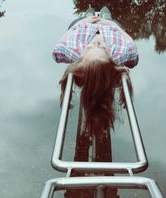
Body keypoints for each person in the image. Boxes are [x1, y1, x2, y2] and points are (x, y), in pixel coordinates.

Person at [52, 6, 138, 135]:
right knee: (108, 17)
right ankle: (106, 17)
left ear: (81, 58)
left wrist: (83, 22)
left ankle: (88, 14)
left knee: (88, 15)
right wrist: (110, 24)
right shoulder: (120, 54)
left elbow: (58, 47)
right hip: (110, 28)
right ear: (110, 59)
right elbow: (132, 48)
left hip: (83, 27)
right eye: (103, 48)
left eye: (90, 48)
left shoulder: (73, 52)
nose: (97, 42)